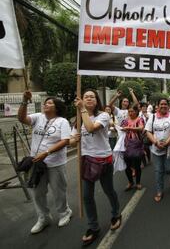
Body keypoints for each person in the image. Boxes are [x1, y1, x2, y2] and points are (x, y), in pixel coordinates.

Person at [72, 89, 121, 246]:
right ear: (82, 100)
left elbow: (92, 127)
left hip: (103, 160)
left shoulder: (104, 115)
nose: (89, 99)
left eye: (92, 96)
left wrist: (82, 109)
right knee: (87, 196)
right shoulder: (77, 120)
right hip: (87, 161)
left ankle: (115, 214)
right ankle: (93, 227)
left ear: (97, 100)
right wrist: (74, 139)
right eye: (86, 97)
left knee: (108, 190)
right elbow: (72, 140)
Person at [18, 91, 72, 234]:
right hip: (37, 164)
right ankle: (43, 217)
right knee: (37, 192)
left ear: (57, 107)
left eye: (49, 103)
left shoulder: (63, 121)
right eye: (45, 102)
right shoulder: (38, 117)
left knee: (58, 191)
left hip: (55, 163)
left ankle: (64, 212)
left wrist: (47, 153)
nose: (45, 104)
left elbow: (65, 141)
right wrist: (24, 101)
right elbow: (22, 118)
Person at [145, 98, 170, 202]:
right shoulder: (152, 117)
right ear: (158, 106)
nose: (163, 106)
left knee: (169, 169)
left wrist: (166, 143)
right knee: (158, 170)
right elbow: (148, 132)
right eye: (161, 104)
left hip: (168, 148)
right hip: (156, 149)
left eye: (165, 104)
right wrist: (156, 142)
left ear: (168, 106)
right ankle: (159, 191)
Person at [123, 104, 145, 191]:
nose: (130, 113)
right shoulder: (125, 120)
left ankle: (138, 182)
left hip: (137, 145)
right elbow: (122, 127)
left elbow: (141, 128)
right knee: (127, 166)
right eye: (129, 111)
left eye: (132, 111)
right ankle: (130, 182)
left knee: (137, 165)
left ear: (136, 111)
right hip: (127, 145)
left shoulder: (140, 119)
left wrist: (129, 128)